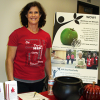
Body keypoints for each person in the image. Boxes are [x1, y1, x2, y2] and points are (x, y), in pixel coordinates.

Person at [6, 1, 52, 93]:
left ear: (40, 15)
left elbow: (47, 59)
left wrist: (50, 77)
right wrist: (11, 81)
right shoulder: (16, 34)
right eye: (30, 12)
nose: (33, 15)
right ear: (26, 15)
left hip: (39, 81)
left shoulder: (46, 36)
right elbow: (9, 59)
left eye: (36, 12)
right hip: (20, 82)